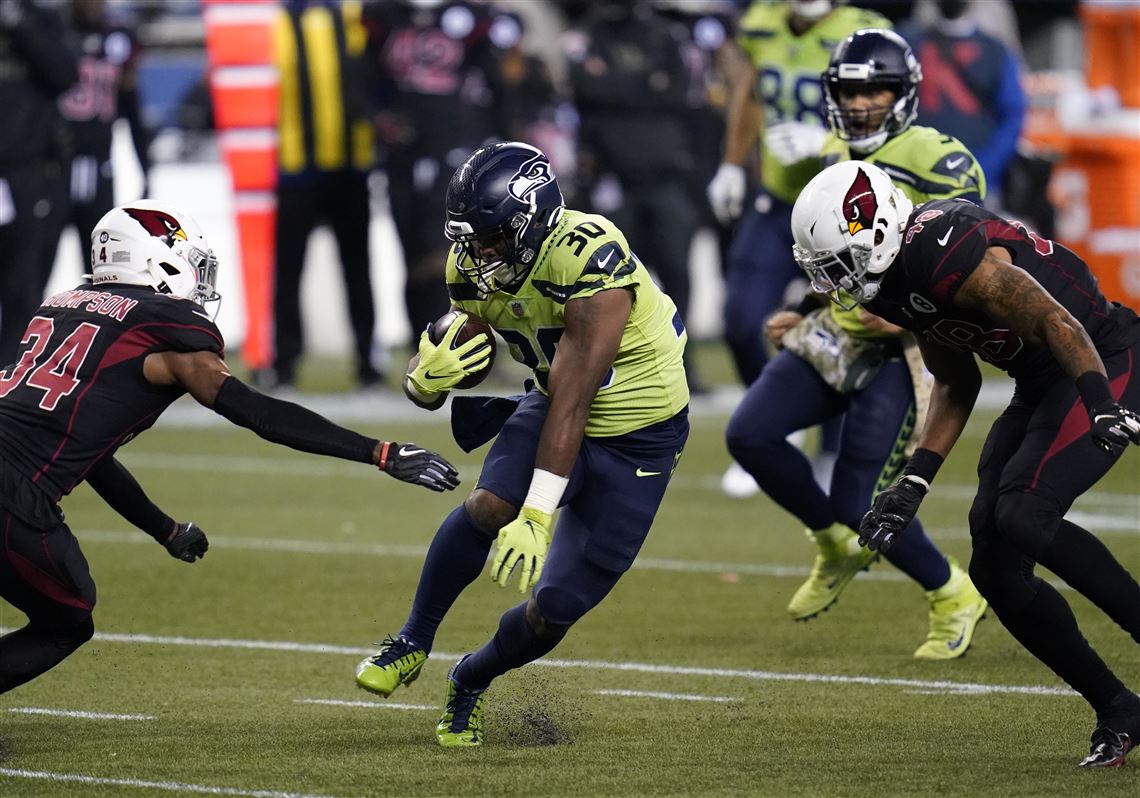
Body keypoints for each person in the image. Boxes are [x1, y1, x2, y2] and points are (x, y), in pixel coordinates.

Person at [0, 200, 460, 696]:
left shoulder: (60, 307)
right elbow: (256, 411)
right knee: (69, 615)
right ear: (157, 260)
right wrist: (379, 452)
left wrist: (164, 529)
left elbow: (90, 455)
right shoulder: (165, 326)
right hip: (13, 493)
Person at [790, 160, 1140, 767]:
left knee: (1025, 513)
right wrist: (913, 482)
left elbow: (1056, 319)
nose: (835, 281)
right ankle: (1118, 708)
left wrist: (1100, 403)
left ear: (876, 230)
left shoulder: (940, 250)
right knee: (994, 568)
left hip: (1102, 358)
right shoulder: (893, 281)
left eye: (839, 262)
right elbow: (954, 381)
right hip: (1041, 381)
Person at [353, 142, 689, 747]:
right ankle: (411, 640)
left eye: (492, 239)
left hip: (639, 438)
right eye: (471, 240)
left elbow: (575, 400)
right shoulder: (470, 267)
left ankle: (469, 679)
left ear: (533, 219)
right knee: (488, 505)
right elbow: (463, 345)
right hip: (552, 405)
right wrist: (422, 382)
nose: (479, 255)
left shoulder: (591, 259)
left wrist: (537, 515)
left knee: (555, 608)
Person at [726, 29, 987, 659]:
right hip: (842, 328)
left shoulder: (939, 160)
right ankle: (834, 544)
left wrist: (910, 317)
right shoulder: (835, 150)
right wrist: (802, 306)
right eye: (849, 91)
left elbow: (973, 263)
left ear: (905, 94)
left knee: (858, 500)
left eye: (876, 90)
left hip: (911, 348)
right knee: (750, 434)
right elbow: (839, 250)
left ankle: (952, 592)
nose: (862, 103)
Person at [708, 0, 888, 497]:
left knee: (842, 326)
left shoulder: (865, 31)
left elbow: (890, 115)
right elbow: (750, 93)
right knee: (741, 318)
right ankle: (774, 417)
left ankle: (832, 451)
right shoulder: (761, 23)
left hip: (845, 206)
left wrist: (827, 140)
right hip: (779, 199)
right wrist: (731, 163)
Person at [566, 0, 705, 393]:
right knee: (610, 282)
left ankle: (682, 362)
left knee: (677, 274)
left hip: (664, 177)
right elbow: (585, 88)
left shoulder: (666, 35)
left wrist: (614, 86)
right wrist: (643, 83)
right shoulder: (589, 35)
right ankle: (614, 371)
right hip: (614, 180)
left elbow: (676, 92)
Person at [362, 0, 519, 338]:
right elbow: (362, 80)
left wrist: (504, 144)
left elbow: (500, 75)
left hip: (456, 152)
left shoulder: (470, 18)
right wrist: (381, 118)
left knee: (453, 250)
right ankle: (423, 341)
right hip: (403, 156)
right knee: (411, 253)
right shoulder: (384, 17)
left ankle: (466, 341)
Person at [267, 0, 381, 391]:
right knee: (288, 271)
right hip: (295, 169)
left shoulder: (356, 17)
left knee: (357, 269)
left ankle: (368, 362)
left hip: (350, 168)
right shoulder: (280, 20)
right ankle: (284, 364)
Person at [38, 0, 151, 296]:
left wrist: (146, 169)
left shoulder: (118, 37)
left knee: (104, 274)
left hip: (100, 166)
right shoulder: (53, 31)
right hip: (53, 168)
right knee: (35, 267)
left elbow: (131, 106)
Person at [0, 0, 78, 364]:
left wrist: (20, 26)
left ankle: (9, 371)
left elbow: (64, 75)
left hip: (25, 168)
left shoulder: (41, 19)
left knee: (23, 280)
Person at [896, 0, 1026, 201]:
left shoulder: (995, 51)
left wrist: (984, 168)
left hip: (977, 177)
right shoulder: (908, 42)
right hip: (916, 175)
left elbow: (1013, 114)